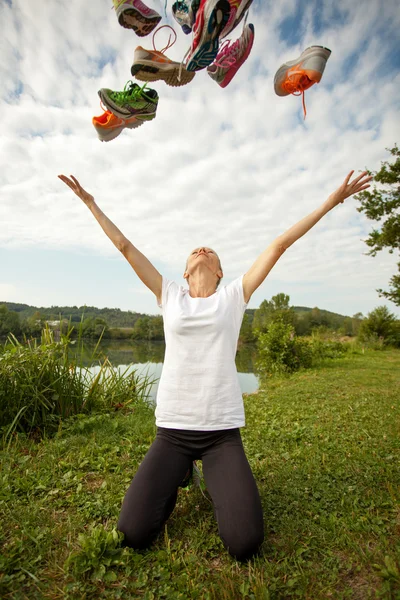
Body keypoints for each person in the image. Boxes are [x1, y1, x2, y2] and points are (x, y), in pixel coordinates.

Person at [58, 170, 372, 560]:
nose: (202, 249)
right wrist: (91, 203)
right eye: (194, 252)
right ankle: (180, 474)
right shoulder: (168, 294)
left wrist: (331, 201)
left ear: (221, 271)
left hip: (221, 433)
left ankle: (205, 472)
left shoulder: (233, 296)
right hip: (172, 431)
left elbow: (279, 245)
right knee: (133, 534)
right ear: (185, 272)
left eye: (209, 251)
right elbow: (124, 246)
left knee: (244, 543)